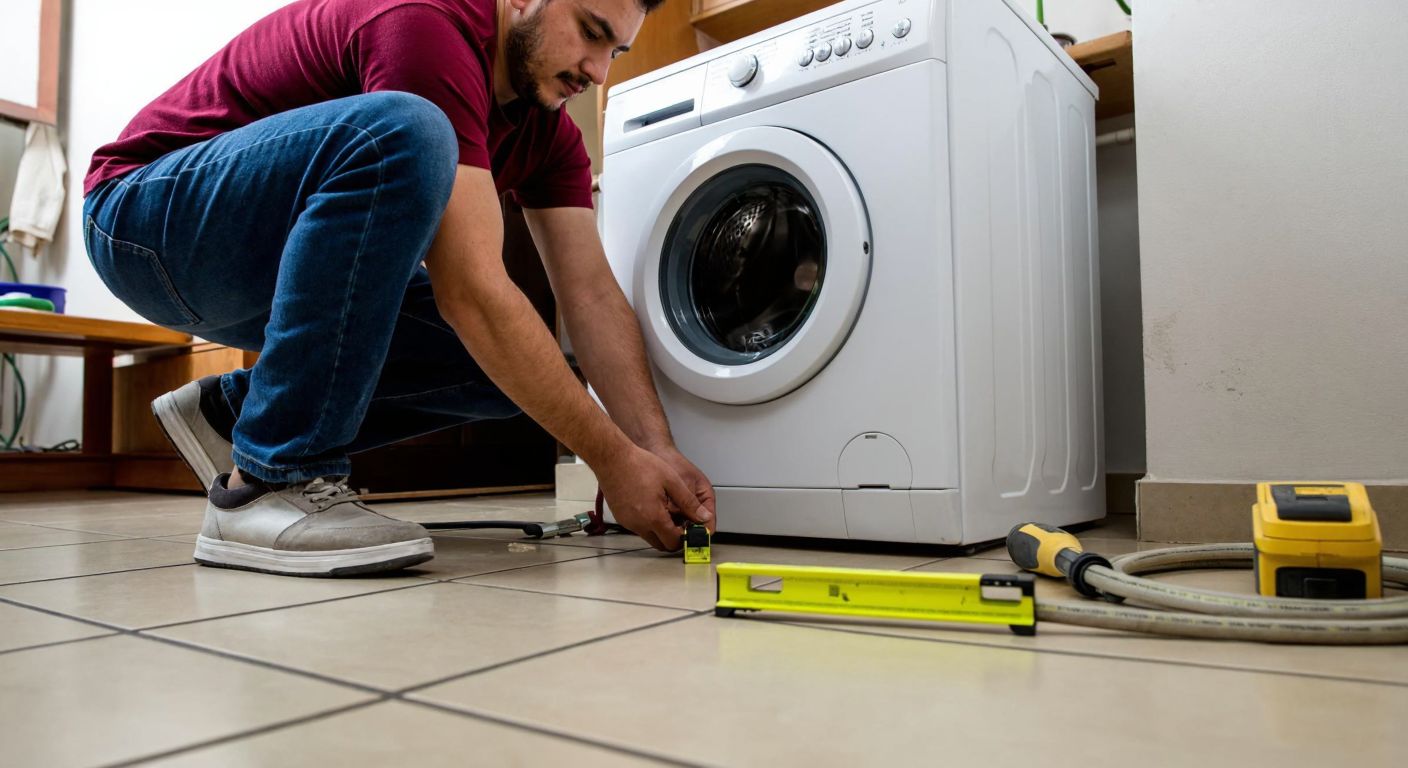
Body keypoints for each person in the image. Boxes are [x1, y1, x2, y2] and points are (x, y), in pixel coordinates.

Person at [81, 0, 716, 577]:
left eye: (616, 51)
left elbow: (592, 295)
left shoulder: (550, 133)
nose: (599, 70)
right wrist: (610, 460)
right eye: (590, 33)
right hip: (146, 224)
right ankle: (270, 483)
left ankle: (230, 415)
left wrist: (652, 449)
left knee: (510, 372)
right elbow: (472, 293)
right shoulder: (423, 25)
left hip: (260, 271)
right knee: (407, 130)